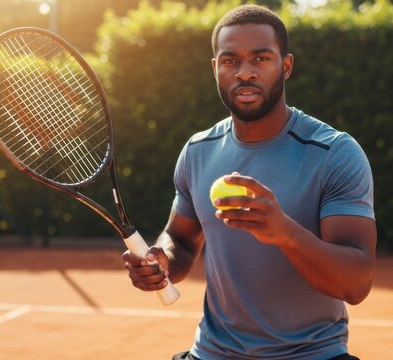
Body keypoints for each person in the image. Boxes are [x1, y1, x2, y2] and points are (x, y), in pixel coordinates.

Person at [122, 4, 376, 360]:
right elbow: (180, 239)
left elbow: (357, 283)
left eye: (260, 59)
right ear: (215, 69)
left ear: (285, 66)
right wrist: (161, 262)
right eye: (230, 61)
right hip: (212, 352)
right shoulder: (198, 151)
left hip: (312, 354)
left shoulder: (333, 153)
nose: (244, 73)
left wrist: (284, 232)